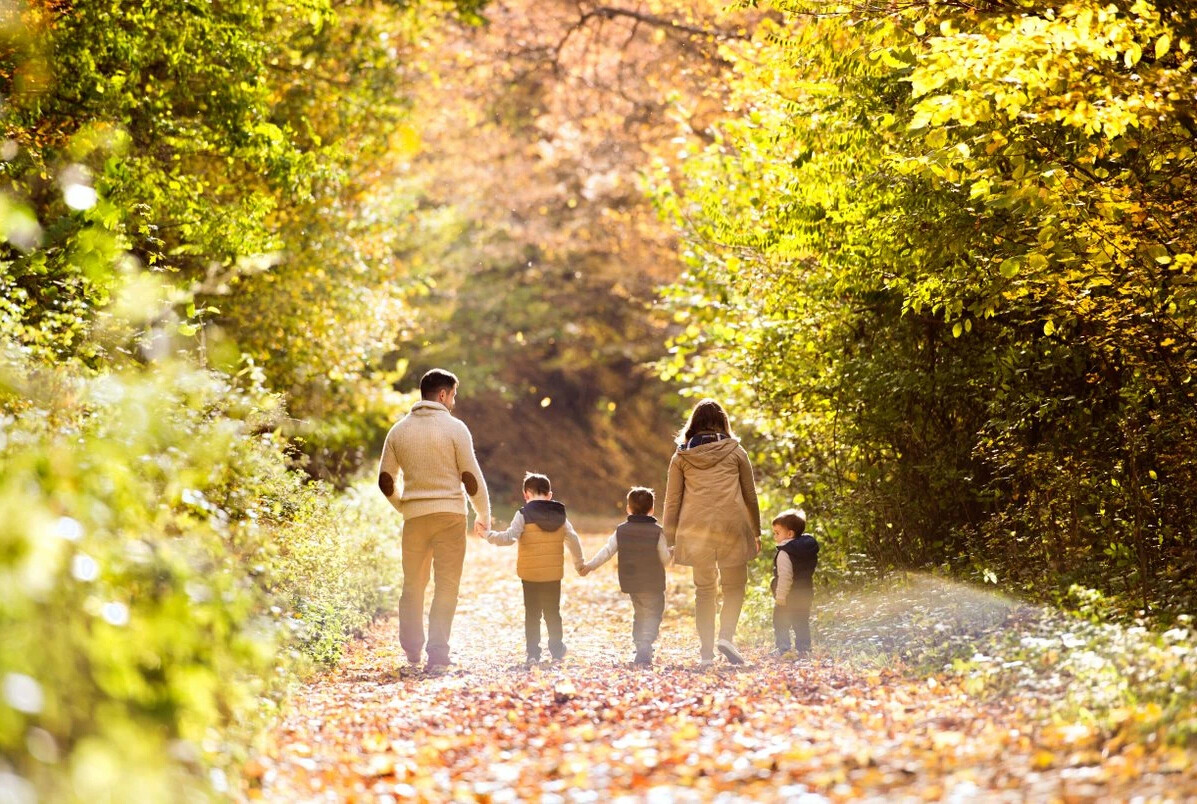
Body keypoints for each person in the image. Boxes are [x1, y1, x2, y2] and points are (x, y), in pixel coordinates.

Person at [378, 368, 490, 673]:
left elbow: (386, 480)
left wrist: (404, 506)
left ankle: (412, 648)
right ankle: (438, 652)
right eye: (453, 394)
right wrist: (483, 514)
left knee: (413, 584)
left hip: (415, 519)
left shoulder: (398, 431)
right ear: (442, 395)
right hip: (451, 518)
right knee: (447, 584)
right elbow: (471, 478)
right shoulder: (456, 429)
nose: (454, 401)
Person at [662, 399, 761, 666]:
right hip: (733, 525)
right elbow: (750, 494)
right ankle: (726, 637)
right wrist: (757, 530)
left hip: (696, 529)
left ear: (693, 423)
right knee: (735, 586)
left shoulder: (682, 456)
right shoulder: (736, 451)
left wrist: (669, 540)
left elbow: (672, 501)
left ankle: (706, 653)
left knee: (704, 590)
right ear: (723, 422)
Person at [484, 472, 585, 665]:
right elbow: (573, 539)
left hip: (530, 575)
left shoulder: (523, 514)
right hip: (552, 575)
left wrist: (488, 535)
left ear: (526, 494)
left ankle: (533, 654)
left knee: (532, 614)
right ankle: (556, 650)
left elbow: (509, 538)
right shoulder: (560, 516)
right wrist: (579, 563)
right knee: (553, 613)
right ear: (549, 495)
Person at [580, 487, 673, 666]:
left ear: (628, 509)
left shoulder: (621, 530)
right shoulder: (657, 531)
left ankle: (640, 644)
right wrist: (671, 553)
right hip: (653, 582)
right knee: (654, 613)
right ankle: (646, 642)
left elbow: (607, 551)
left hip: (632, 582)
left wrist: (590, 566)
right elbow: (665, 559)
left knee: (639, 613)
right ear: (652, 509)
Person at [770, 509, 819, 656]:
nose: (775, 536)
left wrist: (780, 596)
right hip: (805, 593)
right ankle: (804, 649)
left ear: (790, 534)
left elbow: (785, 577)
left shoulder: (785, 552)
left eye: (777, 533)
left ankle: (783, 648)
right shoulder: (807, 549)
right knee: (801, 622)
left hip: (788, 596)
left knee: (780, 621)